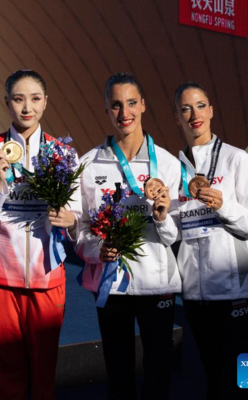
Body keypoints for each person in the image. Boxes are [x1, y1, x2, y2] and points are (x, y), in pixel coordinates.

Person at [0, 69, 81, 400]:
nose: (27, 107)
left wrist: (70, 218)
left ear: (46, 102)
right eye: (18, 99)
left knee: (45, 368)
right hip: (2, 274)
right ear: (6, 102)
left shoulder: (63, 153)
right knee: (7, 367)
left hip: (48, 275)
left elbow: (75, 216)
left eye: (35, 99)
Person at [70, 72, 181, 399]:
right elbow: (80, 228)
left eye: (131, 103)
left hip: (157, 282)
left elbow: (173, 234)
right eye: (116, 105)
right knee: (118, 372)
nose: (124, 113)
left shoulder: (169, 164)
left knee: (159, 372)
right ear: (106, 108)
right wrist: (97, 248)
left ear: (144, 105)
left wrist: (162, 217)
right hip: (111, 283)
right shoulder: (88, 164)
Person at [174, 81, 248, 400]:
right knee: (214, 381)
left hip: (238, 291)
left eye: (200, 105)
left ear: (211, 111)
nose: (194, 114)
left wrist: (224, 206)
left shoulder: (236, 160)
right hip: (196, 296)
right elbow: (174, 233)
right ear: (177, 117)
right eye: (185, 108)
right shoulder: (173, 171)